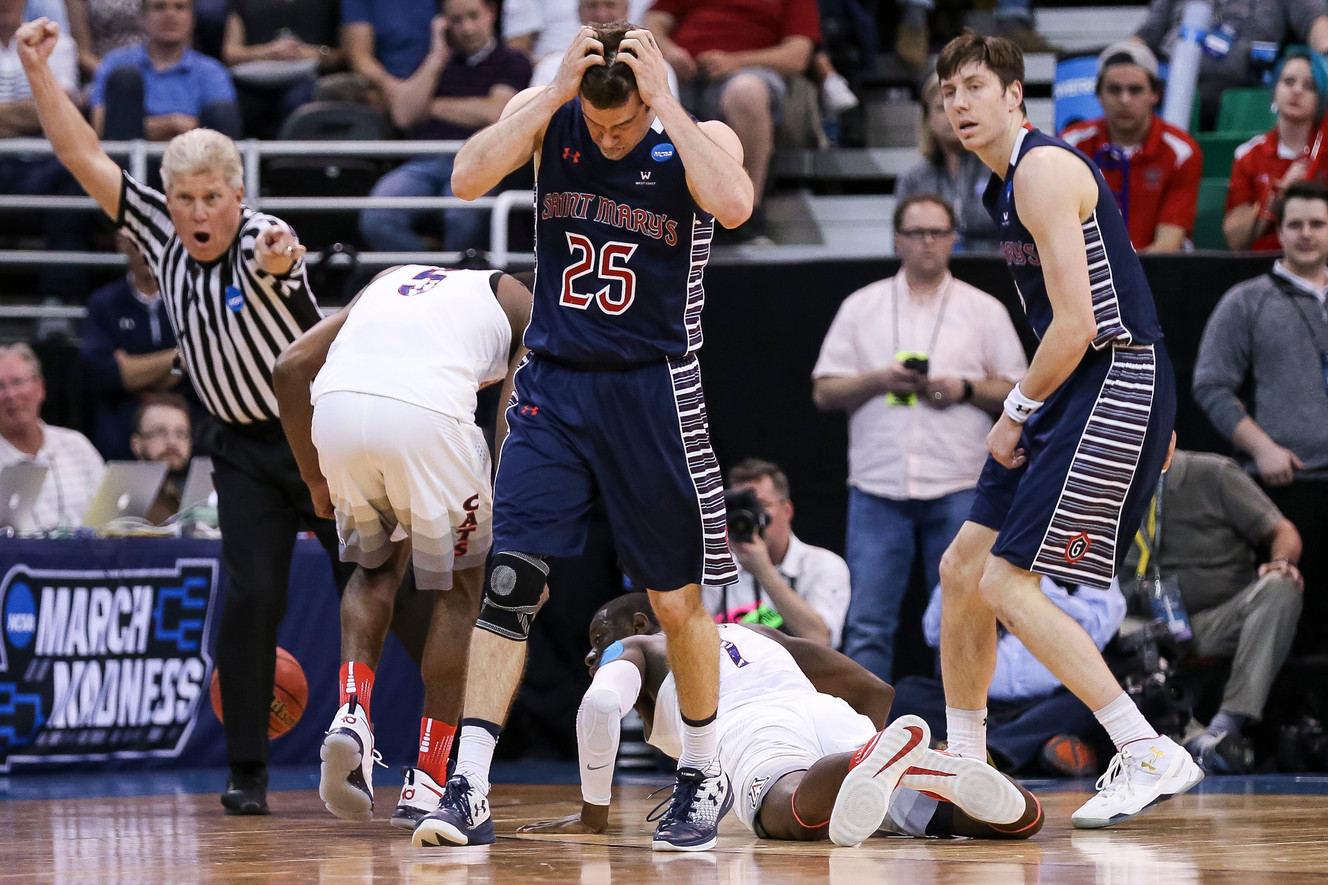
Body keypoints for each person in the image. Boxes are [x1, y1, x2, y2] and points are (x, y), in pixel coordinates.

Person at [17, 14, 429, 816]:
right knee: (247, 602)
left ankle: (449, 743)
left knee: (385, 589)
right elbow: (81, 155)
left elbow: (278, 249)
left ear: (237, 196)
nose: (199, 211)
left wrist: (281, 253)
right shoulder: (161, 238)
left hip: (321, 443)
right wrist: (38, 70)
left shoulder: (261, 242)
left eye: (213, 197)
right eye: (184, 199)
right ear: (167, 201)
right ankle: (246, 769)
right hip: (239, 449)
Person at [416, 23, 754, 852]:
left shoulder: (698, 132)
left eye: (623, 124)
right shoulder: (553, 113)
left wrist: (667, 103)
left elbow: (737, 203)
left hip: (653, 388)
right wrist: (555, 95)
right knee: (508, 579)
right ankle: (468, 785)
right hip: (556, 382)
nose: (607, 137)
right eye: (598, 127)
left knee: (676, 601)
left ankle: (701, 769)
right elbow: (465, 179)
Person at [934, 34, 1200, 829]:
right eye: (948, 94)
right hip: (1079, 380)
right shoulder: (1001, 186)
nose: (959, 105)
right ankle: (968, 765)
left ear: (1017, 95)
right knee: (962, 568)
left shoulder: (1044, 170)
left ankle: (1145, 745)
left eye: (975, 87)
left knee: (1007, 582)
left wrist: (1014, 411)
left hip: (1111, 373)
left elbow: (1082, 323)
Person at [271, 266, 531, 828]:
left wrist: (315, 480)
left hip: (337, 411)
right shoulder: (517, 299)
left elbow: (289, 367)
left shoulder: (389, 281)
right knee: (461, 593)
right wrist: (498, 496)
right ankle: (430, 780)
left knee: (373, 573)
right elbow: (515, 411)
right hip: (429, 415)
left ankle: (352, 712)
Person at [516, 592, 1043, 846]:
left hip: (750, 727)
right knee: (1007, 826)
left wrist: (592, 815)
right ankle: (912, 769)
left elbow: (603, 705)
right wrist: (867, 750)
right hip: (827, 715)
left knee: (787, 812)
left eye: (595, 641)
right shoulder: (756, 633)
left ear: (635, 622)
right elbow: (872, 688)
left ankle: (866, 762)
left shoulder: (639, 644)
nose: (592, 657)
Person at [812, 193, 1026, 683]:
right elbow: (824, 391)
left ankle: (962, 740)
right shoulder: (861, 306)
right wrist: (879, 380)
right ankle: (862, 743)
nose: (926, 243)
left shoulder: (983, 309)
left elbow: (1021, 389)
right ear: (897, 240)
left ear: (954, 238)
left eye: (936, 232)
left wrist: (965, 389)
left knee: (961, 619)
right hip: (877, 486)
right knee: (867, 623)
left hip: (959, 485)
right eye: (915, 233)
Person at [1194, 179, 1328, 656]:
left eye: (1318, 223)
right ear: (1280, 230)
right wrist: (1262, 448)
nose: (1307, 234)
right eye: (1296, 224)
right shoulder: (1247, 300)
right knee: (1292, 624)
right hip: (1285, 489)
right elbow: (1209, 385)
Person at [1122, 449, 1304, 772]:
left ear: (1167, 440)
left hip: (1219, 619)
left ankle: (1226, 725)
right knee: (1094, 625)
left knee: (1281, 587)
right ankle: (1196, 742)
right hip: (1143, 626)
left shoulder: (1214, 473)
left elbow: (1283, 530)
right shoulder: (1101, 486)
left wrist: (1282, 563)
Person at [891, 576, 1125, 777]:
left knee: (1093, 697)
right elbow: (932, 633)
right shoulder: (978, 551)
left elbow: (1099, 628)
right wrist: (963, 580)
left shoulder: (1084, 549)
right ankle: (1023, 751)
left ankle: (981, 750)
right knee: (905, 693)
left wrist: (1026, 587)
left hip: (1052, 701)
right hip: (980, 702)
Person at [357, 0, 531, 255]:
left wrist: (430, 106)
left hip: (479, 162)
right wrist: (436, 58)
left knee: (463, 218)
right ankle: (428, 272)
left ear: (491, 13)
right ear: (443, 23)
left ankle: (452, 282)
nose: (467, 28)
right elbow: (403, 116)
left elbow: (496, 112)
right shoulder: (432, 62)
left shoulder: (512, 61)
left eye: (473, 16)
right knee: (376, 217)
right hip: (424, 163)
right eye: (457, 21)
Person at [644, 0, 820, 242]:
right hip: (683, 72)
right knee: (642, 86)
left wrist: (736, 61)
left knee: (746, 93)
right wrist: (668, 50)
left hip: (748, 73)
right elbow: (655, 21)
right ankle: (645, 210)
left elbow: (797, 56)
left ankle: (747, 214)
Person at [1060, 41, 1201, 254]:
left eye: (1135, 90)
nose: (1124, 100)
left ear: (1155, 94)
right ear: (1099, 95)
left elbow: (1168, 244)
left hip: (1155, 274)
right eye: (1114, 90)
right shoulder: (1070, 144)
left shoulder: (1182, 152)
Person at [705, 458, 850, 648]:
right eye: (739, 508)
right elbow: (691, 634)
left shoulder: (823, 564)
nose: (750, 516)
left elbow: (821, 640)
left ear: (787, 510)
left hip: (800, 676)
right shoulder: (718, 566)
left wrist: (764, 571)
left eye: (760, 505)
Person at [0, 0, 91, 301]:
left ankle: (60, 301)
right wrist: (35, 111)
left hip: (42, 166)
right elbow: (44, 108)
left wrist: (41, 112)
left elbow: (58, 110)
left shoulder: (57, 43)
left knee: (70, 177)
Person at [1133, 0, 1328, 128]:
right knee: (1129, 88)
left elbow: (1316, 22)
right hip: (1170, 75)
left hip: (1240, 84)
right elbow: (1148, 33)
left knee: (1204, 98)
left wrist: (1325, 48)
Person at [78, 232, 185, 462]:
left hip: (180, 407)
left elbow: (186, 370)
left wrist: (142, 370)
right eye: (139, 241)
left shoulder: (186, 300)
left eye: (155, 242)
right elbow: (110, 373)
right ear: (121, 244)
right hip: (122, 413)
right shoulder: (104, 303)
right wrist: (174, 357)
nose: (147, 250)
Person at [88, 0, 240, 142]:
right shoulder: (115, 63)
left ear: (192, 18)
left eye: (180, 7)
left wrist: (142, 126)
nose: (170, 15)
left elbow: (220, 128)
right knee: (125, 78)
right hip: (127, 164)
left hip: (194, 163)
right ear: (141, 18)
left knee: (221, 112)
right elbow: (102, 126)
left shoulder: (212, 70)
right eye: (159, 7)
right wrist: (173, 124)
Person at [1223, 47, 1328, 252]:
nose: (1297, 91)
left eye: (1310, 86)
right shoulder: (1248, 154)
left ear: (1322, 97)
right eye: (1288, 82)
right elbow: (1235, 241)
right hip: (1261, 264)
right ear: (1274, 90)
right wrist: (1274, 197)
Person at [0, 342, 105, 531]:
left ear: (40, 388)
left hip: (89, 557)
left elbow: (110, 517)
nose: (10, 395)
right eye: (0, 387)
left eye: (17, 382)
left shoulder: (76, 445)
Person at [894, 74, 1001, 253]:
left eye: (960, 107)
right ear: (927, 118)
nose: (952, 115)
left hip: (997, 273)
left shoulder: (999, 170)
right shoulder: (912, 180)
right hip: (934, 276)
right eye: (941, 107)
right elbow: (901, 248)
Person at [220, 0, 343, 138]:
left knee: (299, 100)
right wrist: (269, 52)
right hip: (251, 80)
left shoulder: (331, 4)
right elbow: (230, 53)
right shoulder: (243, 3)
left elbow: (344, 54)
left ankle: (290, 159)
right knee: (228, 105)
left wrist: (309, 52)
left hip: (309, 78)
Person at [529, 0, 678, 100]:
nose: (601, 14)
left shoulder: (656, 66)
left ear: (626, 10)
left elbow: (665, 130)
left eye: (610, 4)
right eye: (592, 6)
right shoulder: (550, 68)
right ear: (579, 12)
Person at [129, 391, 192, 524]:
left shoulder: (197, 503)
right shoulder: (123, 509)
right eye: (160, 432)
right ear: (136, 444)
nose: (172, 442)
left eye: (180, 433)